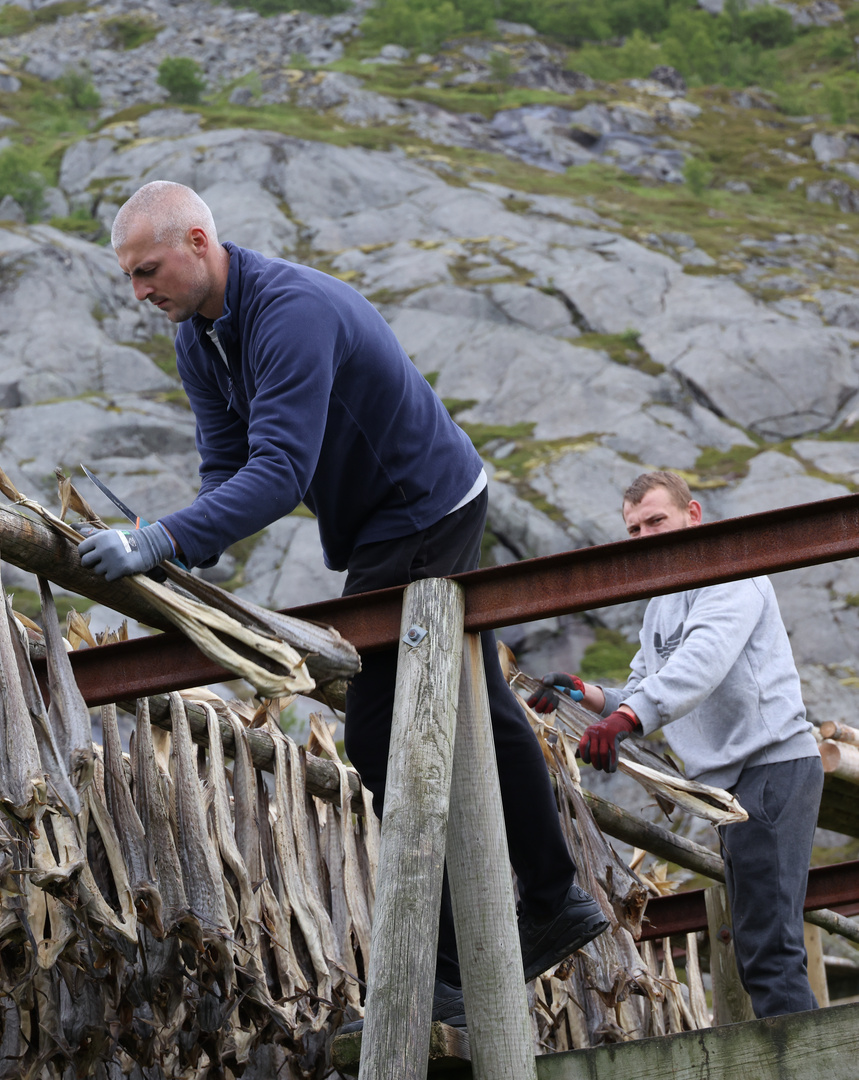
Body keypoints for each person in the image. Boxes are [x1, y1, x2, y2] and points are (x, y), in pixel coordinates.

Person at [78, 180, 607, 1025]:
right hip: (377, 528)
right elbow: (228, 470)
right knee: (472, 697)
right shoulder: (200, 339)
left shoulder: (289, 312)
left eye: (149, 271)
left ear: (198, 241)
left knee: (375, 728)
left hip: (424, 505)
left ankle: (449, 962)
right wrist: (182, 540)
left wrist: (161, 539)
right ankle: (547, 900)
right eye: (131, 278)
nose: (141, 292)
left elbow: (280, 472)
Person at [529, 470, 823, 1018]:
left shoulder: (731, 573)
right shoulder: (661, 603)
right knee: (757, 946)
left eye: (656, 521)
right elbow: (644, 687)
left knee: (769, 949)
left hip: (773, 769)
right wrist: (584, 694)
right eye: (634, 530)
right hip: (730, 788)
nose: (645, 538)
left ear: (693, 515)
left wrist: (624, 720)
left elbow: (700, 664)